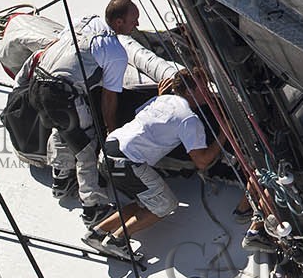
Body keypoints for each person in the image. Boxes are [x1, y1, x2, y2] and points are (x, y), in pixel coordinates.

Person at [25, 0, 142, 226]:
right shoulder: (115, 50)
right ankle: (93, 207)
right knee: (86, 146)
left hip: (37, 88)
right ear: (118, 23)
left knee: (65, 129)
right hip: (62, 96)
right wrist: (112, 133)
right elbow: (109, 98)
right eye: (133, 20)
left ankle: (61, 178)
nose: (136, 25)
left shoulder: (83, 21)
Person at [82, 70, 221, 260]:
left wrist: (160, 97)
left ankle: (97, 233)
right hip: (128, 162)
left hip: (107, 153)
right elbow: (202, 161)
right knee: (165, 204)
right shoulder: (189, 119)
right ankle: (118, 239)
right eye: (205, 87)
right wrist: (224, 133)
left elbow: (147, 119)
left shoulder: (161, 100)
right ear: (190, 91)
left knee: (145, 201)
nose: (209, 92)